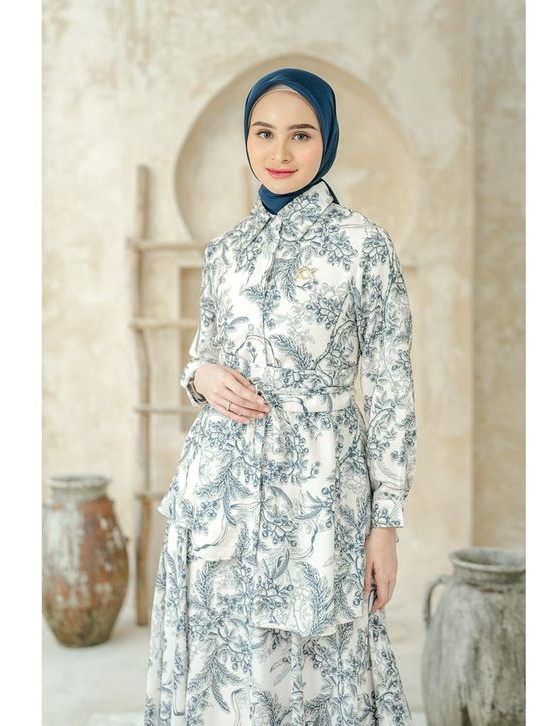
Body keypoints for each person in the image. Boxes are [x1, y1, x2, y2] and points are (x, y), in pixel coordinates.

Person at [145, 67, 417, 725]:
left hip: (320, 493)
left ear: (327, 140)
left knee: (319, 670)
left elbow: (391, 388)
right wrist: (198, 376)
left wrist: (385, 522)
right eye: (264, 133)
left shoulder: (363, 246)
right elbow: (205, 355)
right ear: (247, 140)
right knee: (223, 667)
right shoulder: (226, 251)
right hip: (220, 493)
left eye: (301, 134)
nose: (281, 152)